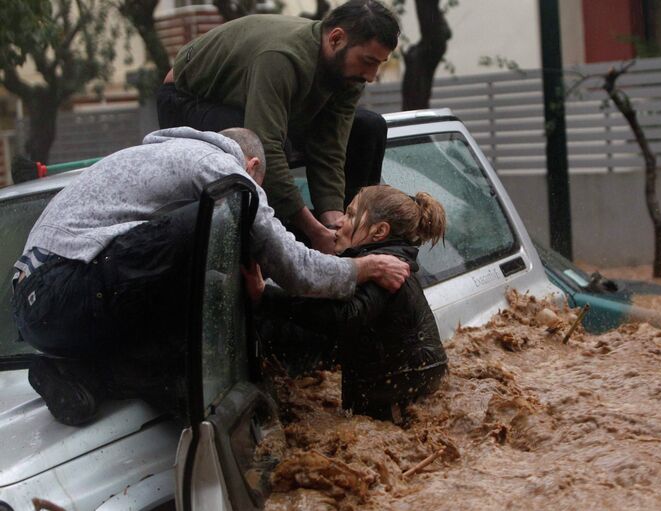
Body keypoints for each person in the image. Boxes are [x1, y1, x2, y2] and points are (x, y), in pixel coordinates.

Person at [11, 127, 410, 426]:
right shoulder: (221, 171)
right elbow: (294, 268)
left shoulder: (160, 157)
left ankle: (87, 373)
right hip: (62, 288)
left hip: (46, 307)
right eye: (261, 186)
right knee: (218, 216)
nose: (258, 197)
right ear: (252, 166)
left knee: (203, 254)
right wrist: (361, 267)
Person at [156, 0, 400, 254]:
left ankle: (348, 241)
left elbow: (329, 148)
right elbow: (267, 145)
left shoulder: (349, 73)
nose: (371, 76)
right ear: (336, 39)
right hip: (186, 100)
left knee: (367, 127)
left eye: (378, 64)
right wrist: (312, 228)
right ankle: (279, 247)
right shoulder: (281, 57)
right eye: (368, 61)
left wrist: (334, 222)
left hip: (248, 101)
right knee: (267, 149)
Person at [248, 184, 449, 422]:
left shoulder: (387, 269)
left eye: (351, 215)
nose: (339, 222)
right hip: (407, 382)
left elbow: (343, 317)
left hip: (396, 394)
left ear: (379, 231)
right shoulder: (382, 260)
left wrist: (265, 295)